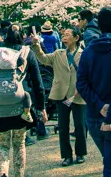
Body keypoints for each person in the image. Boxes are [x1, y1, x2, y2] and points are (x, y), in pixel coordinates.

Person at [76, 7, 111, 177]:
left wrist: (100, 106)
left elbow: (81, 84)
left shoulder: (88, 51)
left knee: (108, 160)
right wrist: (110, 114)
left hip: (94, 116)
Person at [0, 27, 47, 177]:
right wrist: (41, 107)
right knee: (19, 144)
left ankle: (2, 172)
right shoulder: (27, 53)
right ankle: (18, 174)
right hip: (20, 107)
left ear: (4, 37)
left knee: (2, 145)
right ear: (22, 36)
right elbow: (37, 84)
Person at [32, 27, 87, 167]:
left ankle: (80, 153)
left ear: (76, 38)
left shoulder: (84, 54)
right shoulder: (58, 53)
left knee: (80, 125)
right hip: (61, 94)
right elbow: (43, 59)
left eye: (68, 34)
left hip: (77, 94)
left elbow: (89, 73)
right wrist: (36, 45)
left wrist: (83, 88)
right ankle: (66, 156)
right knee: (63, 127)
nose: (65, 36)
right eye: (64, 34)